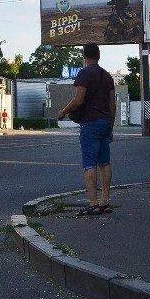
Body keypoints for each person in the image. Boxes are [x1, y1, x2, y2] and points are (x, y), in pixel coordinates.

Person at [58, 43, 116, 216]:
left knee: (89, 164)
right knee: (105, 163)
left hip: (90, 123)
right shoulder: (107, 76)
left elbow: (78, 100)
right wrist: (110, 126)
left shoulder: (84, 73)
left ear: (85, 56)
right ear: (99, 55)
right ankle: (105, 201)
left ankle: (93, 204)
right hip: (105, 122)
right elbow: (112, 104)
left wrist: (63, 112)